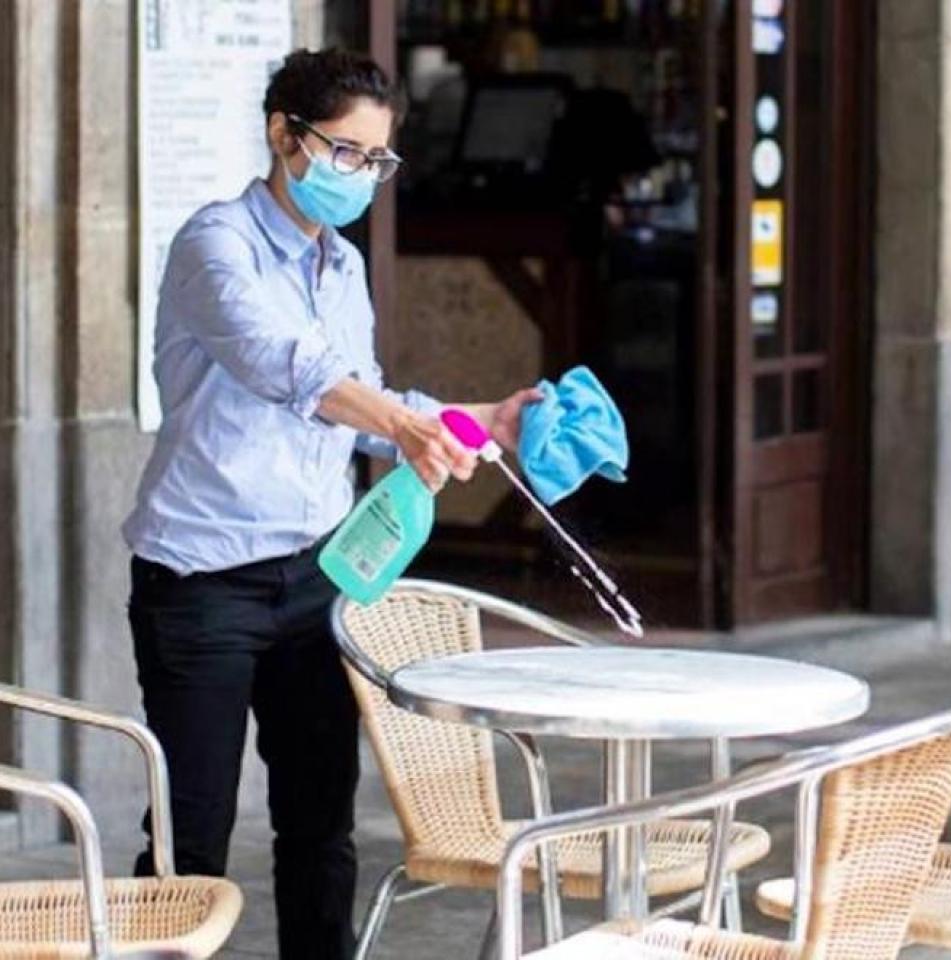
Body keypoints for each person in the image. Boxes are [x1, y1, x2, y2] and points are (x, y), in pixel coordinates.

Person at [123, 49, 540, 959]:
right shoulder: (214, 243)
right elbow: (292, 368)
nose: (362, 175)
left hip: (320, 578)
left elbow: (369, 410)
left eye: (377, 160)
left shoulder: (341, 268)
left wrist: (487, 422)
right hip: (203, 583)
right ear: (284, 133)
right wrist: (397, 417)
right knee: (188, 842)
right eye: (346, 153)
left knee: (320, 829)